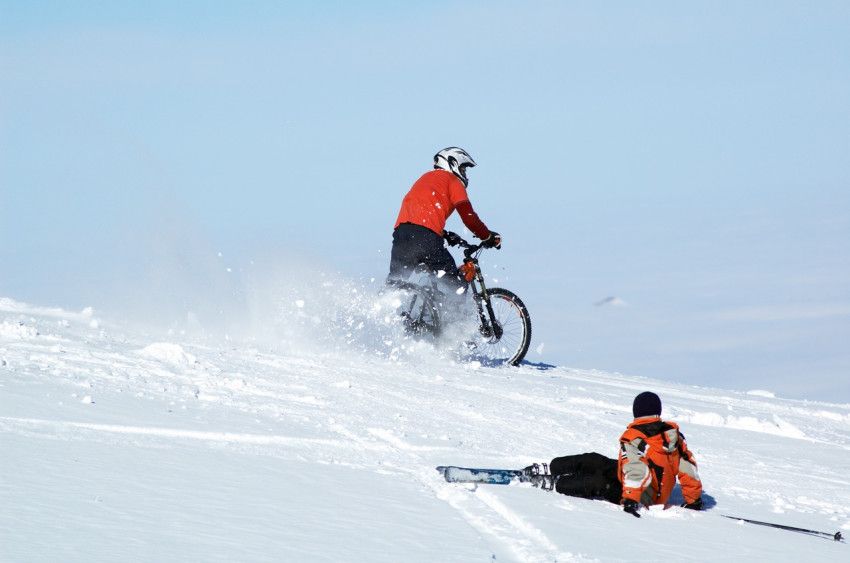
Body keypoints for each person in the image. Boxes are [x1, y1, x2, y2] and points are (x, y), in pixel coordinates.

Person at [387, 147, 501, 293]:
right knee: (455, 286)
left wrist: (444, 234)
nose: (465, 174)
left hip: (402, 234)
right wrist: (487, 236)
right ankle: (450, 315)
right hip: (426, 238)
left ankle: (388, 311)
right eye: (464, 169)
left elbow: (421, 215)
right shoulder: (453, 180)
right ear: (453, 164)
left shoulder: (424, 178)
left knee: (396, 285)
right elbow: (469, 217)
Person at [619, 391, 703, 517]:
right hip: (660, 497)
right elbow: (688, 469)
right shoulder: (673, 437)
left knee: (596, 466)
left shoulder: (633, 437)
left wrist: (631, 499)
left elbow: (636, 468)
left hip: (639, 497)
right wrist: (693, 500)